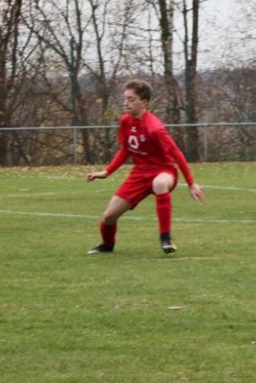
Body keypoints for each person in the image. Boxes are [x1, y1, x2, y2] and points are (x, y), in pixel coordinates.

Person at [86, 79, 206, 254]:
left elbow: (176, 153)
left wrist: (191, 183)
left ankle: (165, 238)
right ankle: (107, 246)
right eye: (125, 98)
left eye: (131, 99)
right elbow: (126, 149)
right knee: (109, 217)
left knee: (159, 183)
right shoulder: (125, 121)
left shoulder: (154, 128)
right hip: (139, 174)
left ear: (144, 102)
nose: (126, 103)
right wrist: (106, 172)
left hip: (164, 171)